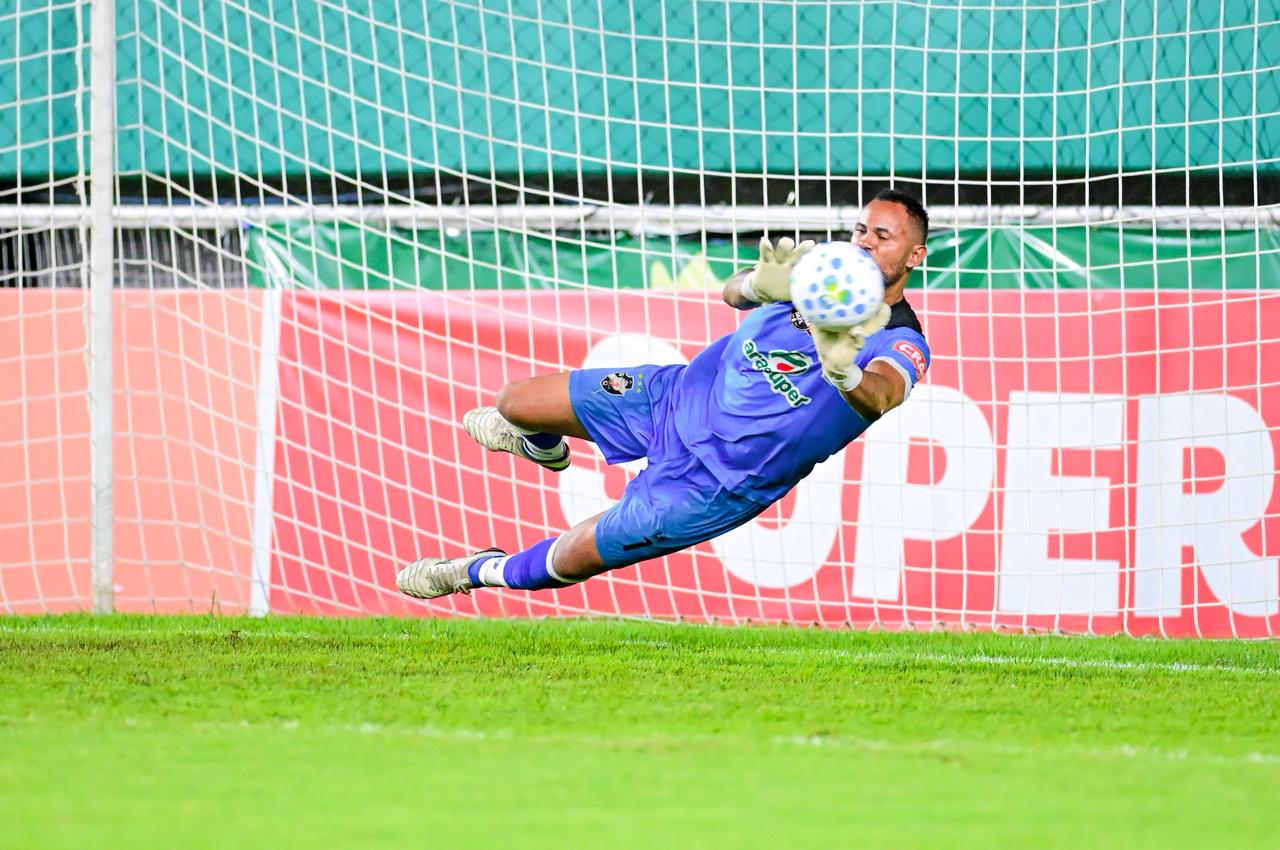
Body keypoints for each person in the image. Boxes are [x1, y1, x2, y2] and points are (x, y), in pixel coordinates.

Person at [396, 188, 932, 599]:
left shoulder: (900, 336)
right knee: (514, 402)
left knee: (574, 557)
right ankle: (542, 445)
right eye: (862, 228)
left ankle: (475, 571)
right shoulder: (819, 276)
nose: (864, 241)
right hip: (671, 400)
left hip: (719, 482)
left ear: (914, 256)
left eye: (883, 237)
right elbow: (734, 291)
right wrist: (755, 286)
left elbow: (883, 393)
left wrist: (846, 376)